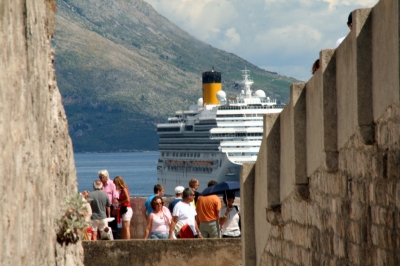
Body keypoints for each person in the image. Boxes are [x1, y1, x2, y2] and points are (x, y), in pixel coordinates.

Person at [99, 169, 119, 239]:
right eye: (99, 177)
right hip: (102, 208)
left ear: (106, 177)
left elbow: (115, 198)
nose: (100, 179)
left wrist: (115, 208)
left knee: (113, 225)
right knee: (103, 225)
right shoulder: (101, 185)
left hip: (111, 206)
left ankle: (115, 239)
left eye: (101, 177)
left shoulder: (112, 184)